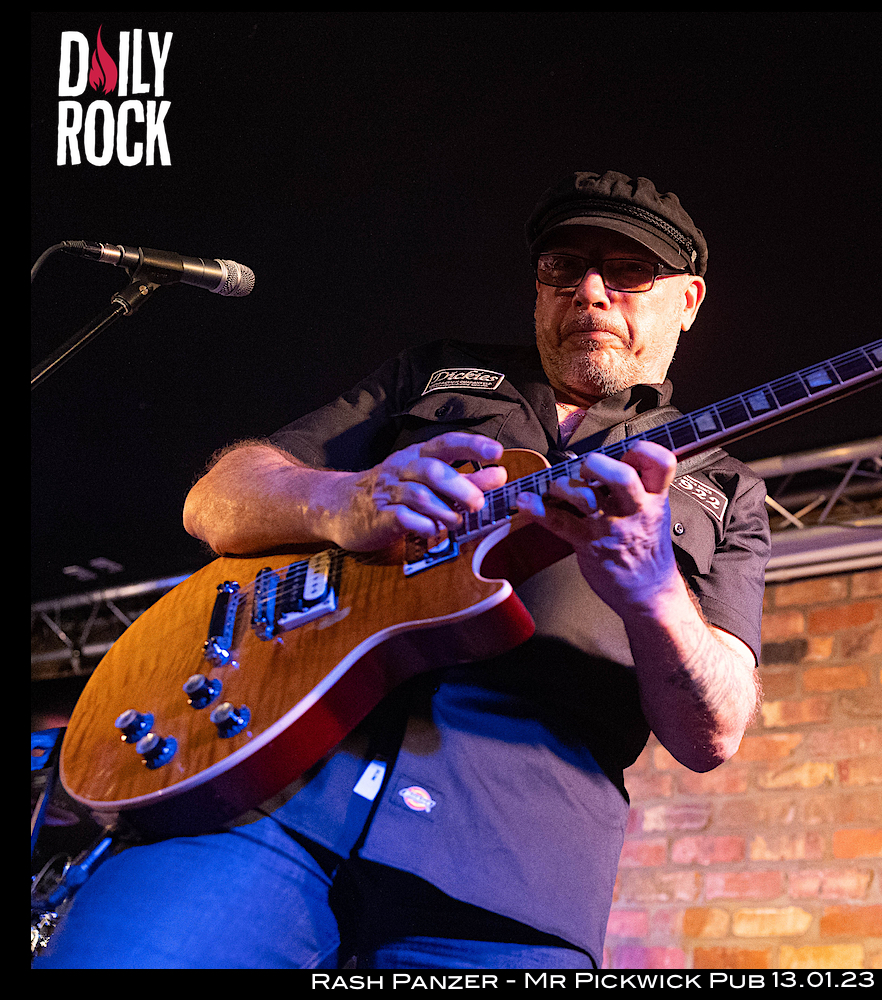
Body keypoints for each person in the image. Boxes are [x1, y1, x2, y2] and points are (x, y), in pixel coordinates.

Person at [35, 171, 770, 969]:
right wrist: (344, 500)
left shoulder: (728, 489)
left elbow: (713, 732)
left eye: (628, 271)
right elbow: (216, 499)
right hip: (261, 798)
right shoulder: (435, 373)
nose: (590, 291)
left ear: (688, 300)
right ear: (538, 289)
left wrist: (655, 592)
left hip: (510, 880)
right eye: (564, 267)